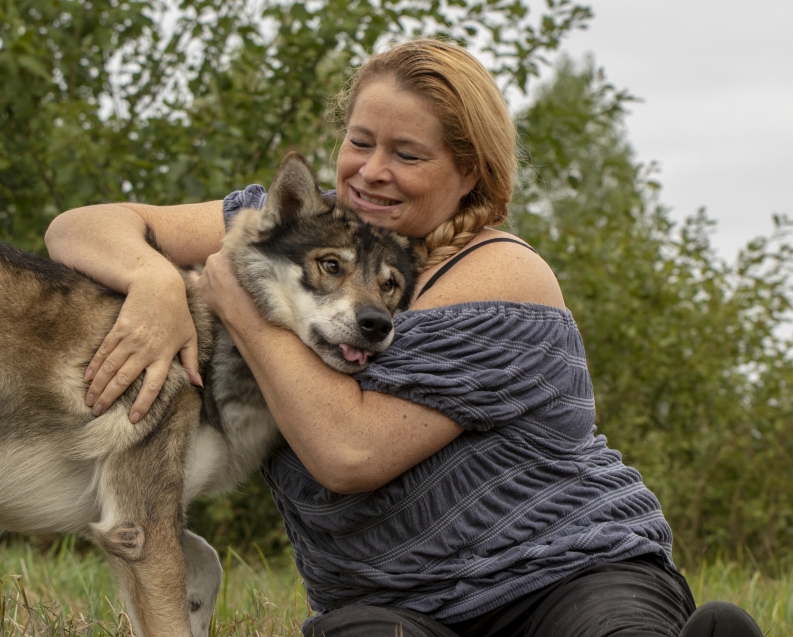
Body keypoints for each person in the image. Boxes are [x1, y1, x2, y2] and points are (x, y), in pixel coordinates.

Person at [45, 39, 762, 637]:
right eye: (360, 142)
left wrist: (238, 300)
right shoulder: (303, 227)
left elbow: (349, 452)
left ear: (468, 173)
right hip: (393, 605)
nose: (372, 171)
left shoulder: (504, 272)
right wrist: (157, 283)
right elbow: (80, 228)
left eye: (408, 155)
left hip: (563, 576)